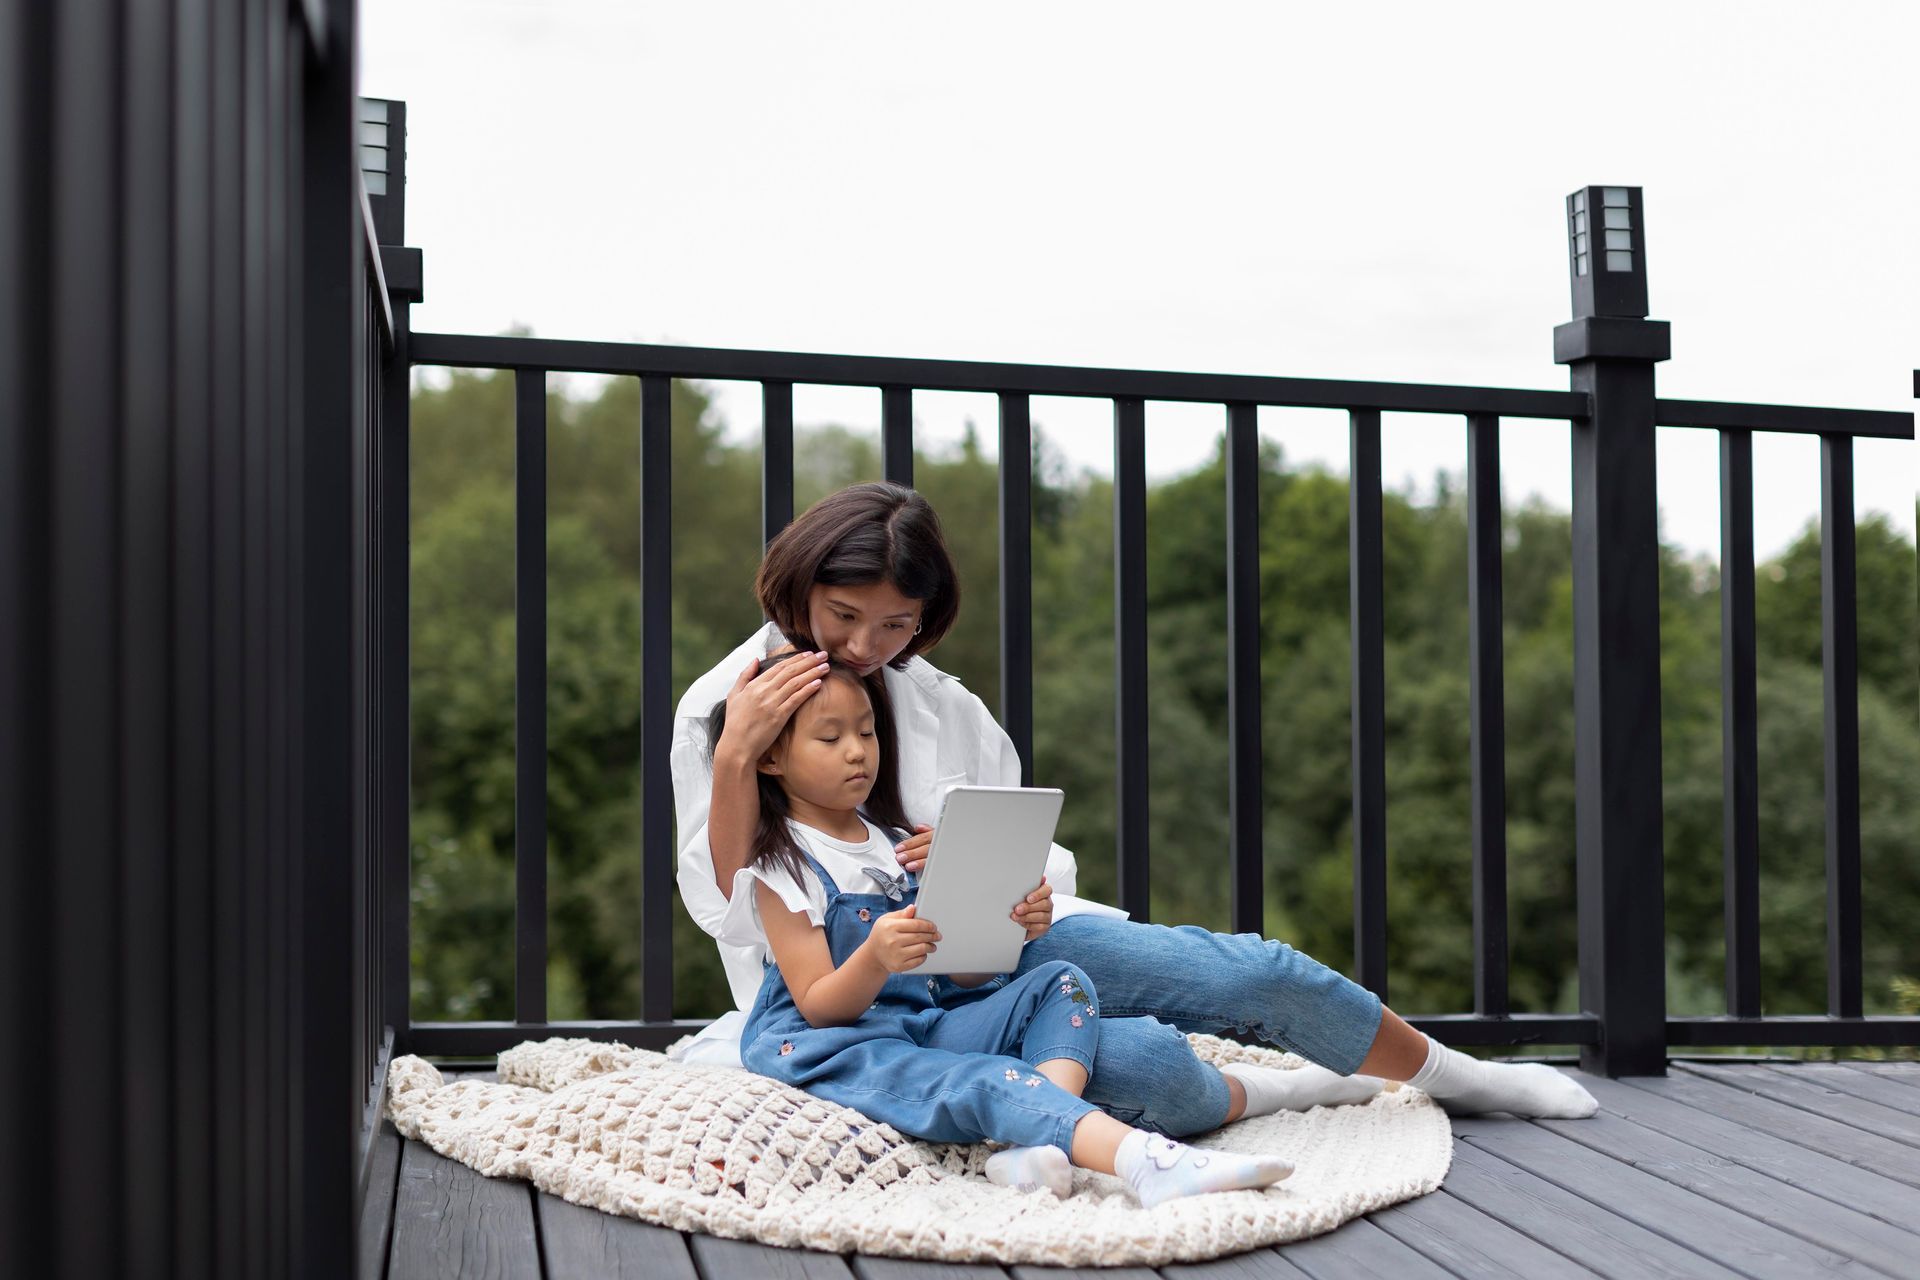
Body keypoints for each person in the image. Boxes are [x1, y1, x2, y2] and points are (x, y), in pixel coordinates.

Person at [676, 482, 1597, 1122]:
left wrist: (1022, 893)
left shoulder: (945, 708)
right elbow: (728, 911)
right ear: (800, 586)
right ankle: (1289, 1093)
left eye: (896, 624)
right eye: (843, 616)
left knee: (1250, 971)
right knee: (1151, 1069)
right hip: (859, 1005)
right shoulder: (720, 707)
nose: (867, 645)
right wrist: (737, 756)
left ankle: (1457, 1075)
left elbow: (1031, 855)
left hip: (1005, 959)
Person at [711, 655, 1296, 1205]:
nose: (857, 753)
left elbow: (960, 972)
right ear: (770, 758)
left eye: (867, 733)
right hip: (839, 1047)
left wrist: (1009, 924)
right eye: (830, 738)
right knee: (988, 1078)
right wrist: (874, 958)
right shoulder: (780, 867)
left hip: (921, 1024)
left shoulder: (896, 843)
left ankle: (1037, 1144)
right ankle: (1146, 1164)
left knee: (1060, 981)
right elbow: (817, 1007)